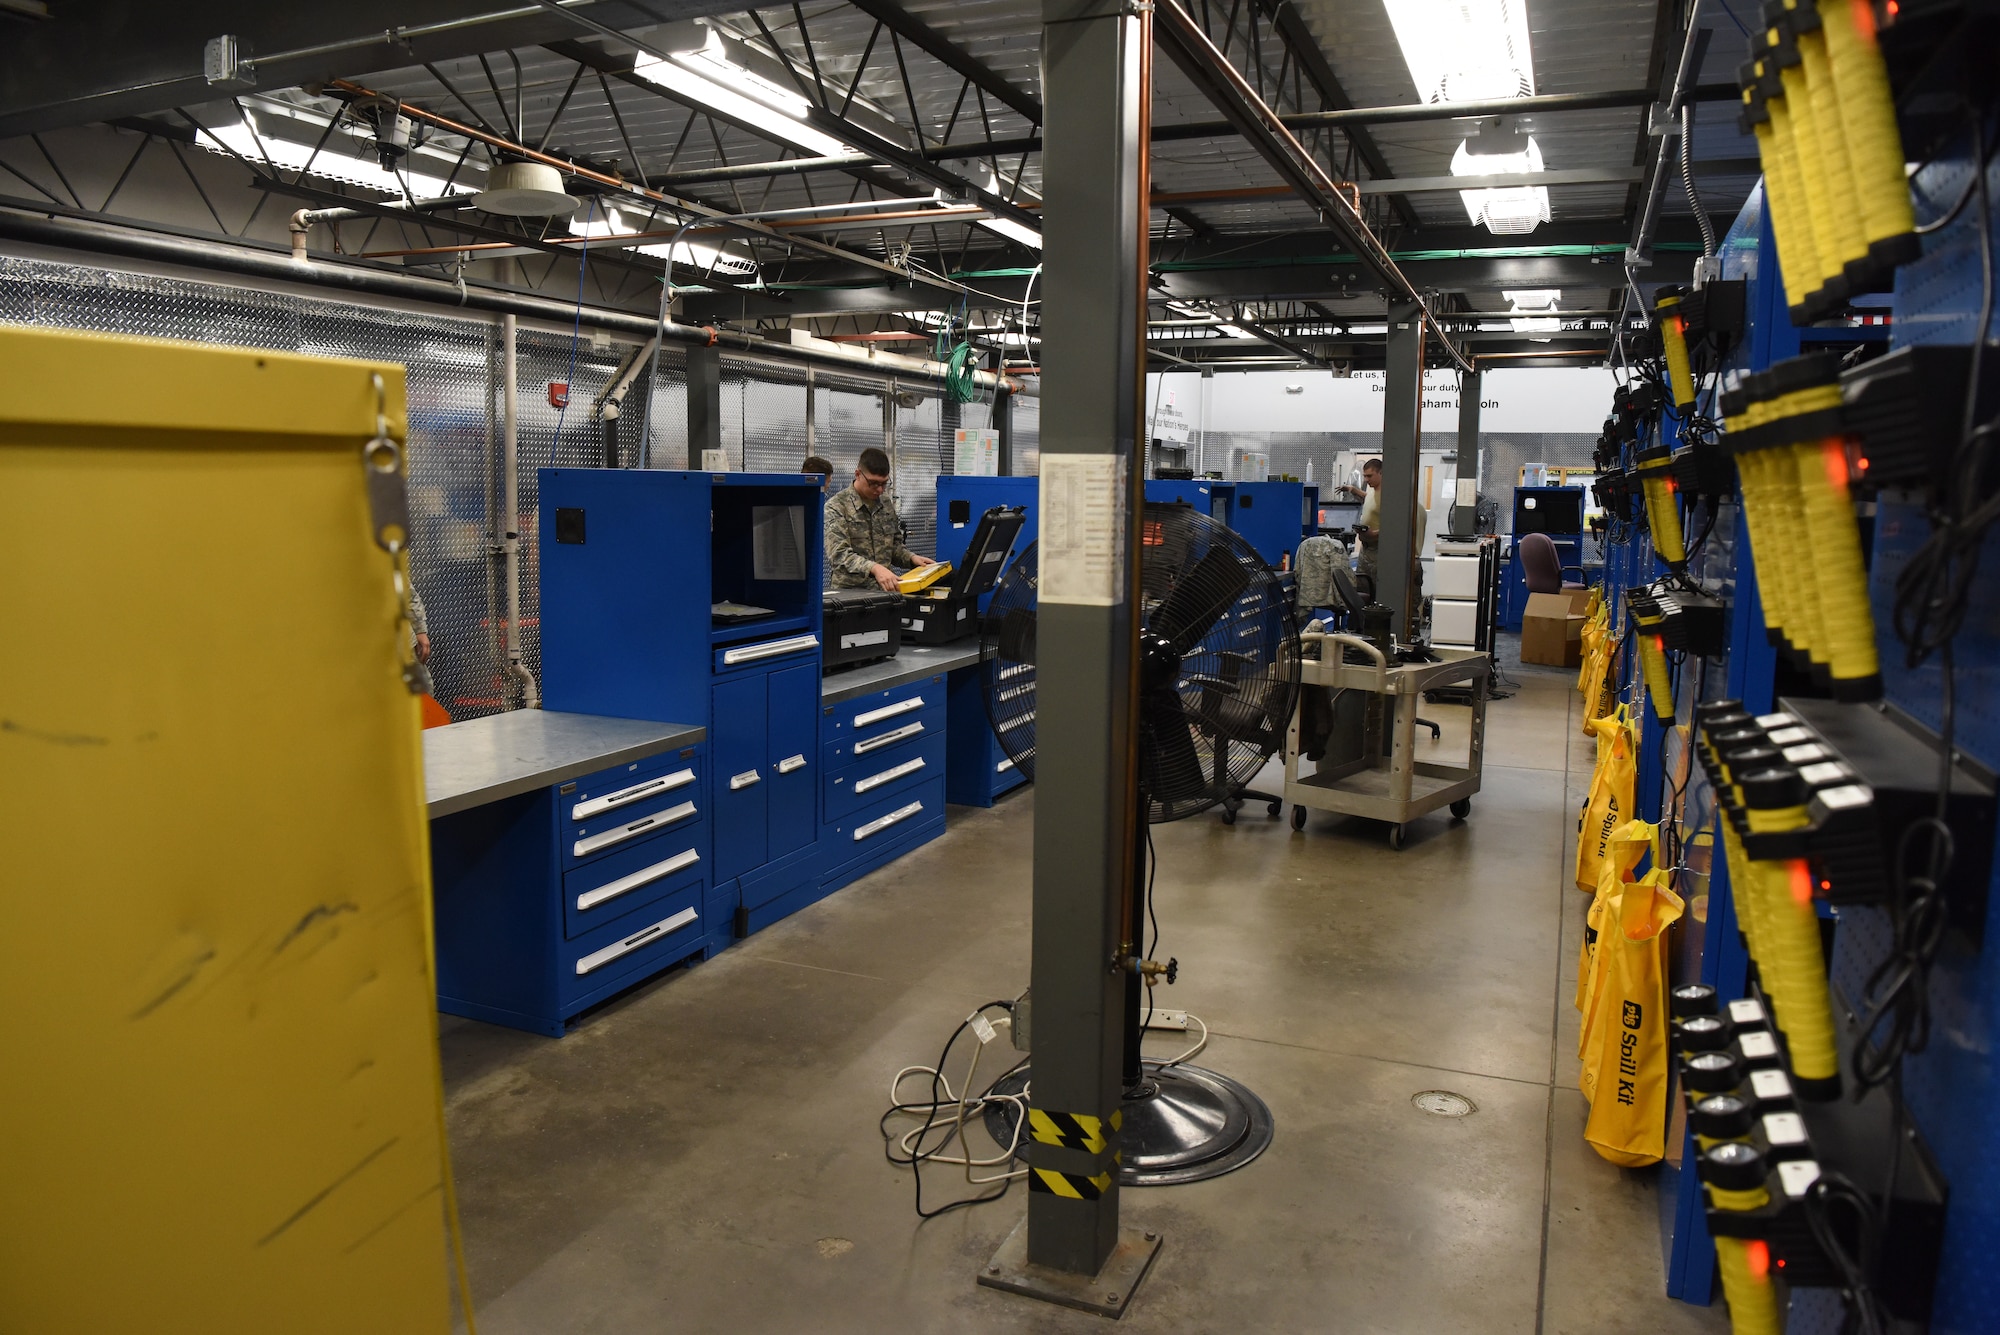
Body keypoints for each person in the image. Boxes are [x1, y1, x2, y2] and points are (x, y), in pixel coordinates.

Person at [825, 447, 935, 592]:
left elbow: (894, 547)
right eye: (873, 483)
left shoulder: (885, 503)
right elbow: (839, 555)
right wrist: (874, 568)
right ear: (858, 474)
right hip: (850, 595)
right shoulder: (836, 507)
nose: (879, 490)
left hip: (883, 593)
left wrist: (912, 558)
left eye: (884, 483)